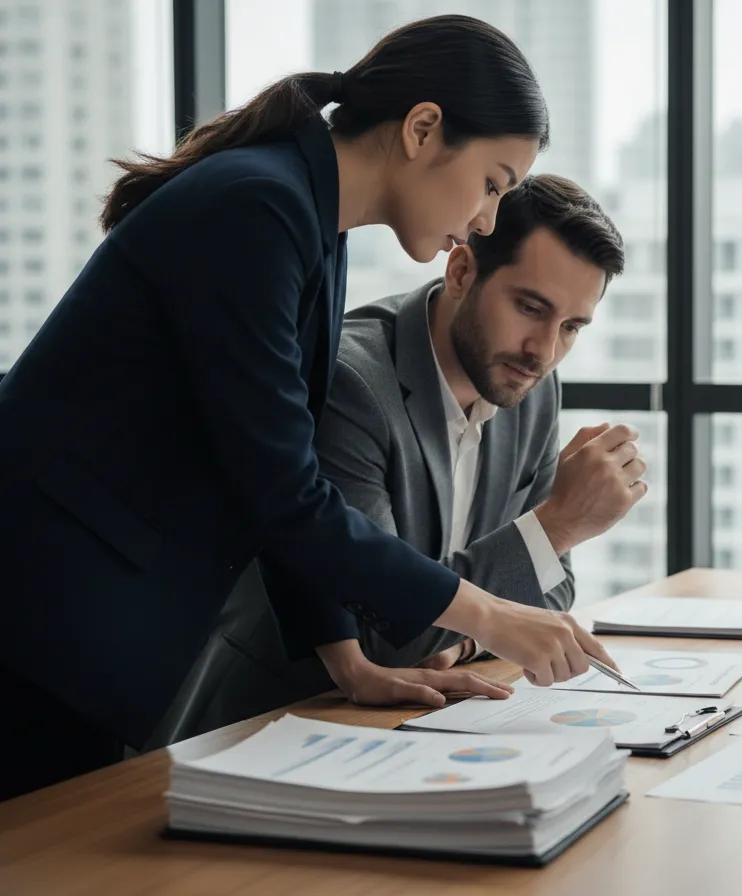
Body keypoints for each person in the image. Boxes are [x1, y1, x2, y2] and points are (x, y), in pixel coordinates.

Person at [0, 15, 619, 802]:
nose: (487, 219)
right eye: (493, 182)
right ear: (423, 129)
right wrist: (491, 617)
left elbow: (268, 477)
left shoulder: (306, 223)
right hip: (39, 612)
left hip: (80, 621)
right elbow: (287, 496)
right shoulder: (257, 209)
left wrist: (347, 659)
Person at [196, 174, 644, 722]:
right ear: (460, 272)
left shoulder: (531, 387)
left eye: (571, 326)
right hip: (281, 716)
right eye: (530, 307)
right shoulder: (352, 383)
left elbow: (552, 593)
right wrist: (557, 526)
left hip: (426, 713)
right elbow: (380, 630)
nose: (545, 350)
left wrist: (457, 643)